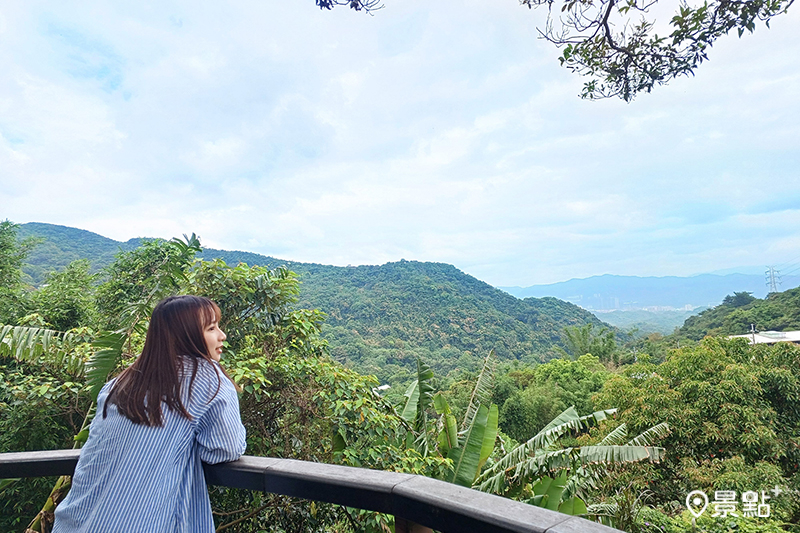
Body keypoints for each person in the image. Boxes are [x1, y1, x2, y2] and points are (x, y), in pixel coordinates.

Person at [53, 295, 247, 533]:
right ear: (188, 335)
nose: (222, 335)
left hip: (75, 521)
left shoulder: (121, 382)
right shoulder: (208, 379)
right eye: (211, 328)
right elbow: (224, 449)